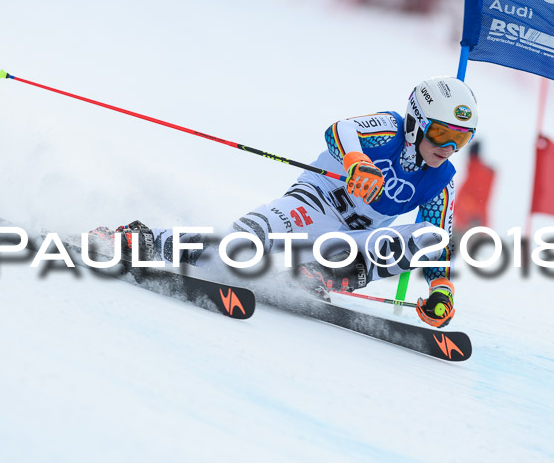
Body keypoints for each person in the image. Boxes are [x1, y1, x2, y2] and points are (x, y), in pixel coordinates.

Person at [94, 76, 478, 328]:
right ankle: (143, 239)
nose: (447, 148)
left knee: (430, 237)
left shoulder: (441, 181)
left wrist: (441, 288)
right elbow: (339, 130)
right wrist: (356, 160)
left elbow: (436, 240)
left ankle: (315, 276)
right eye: (441, 133)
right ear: (415, 122)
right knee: (236, 254)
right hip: (315, 205)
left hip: (354, 241)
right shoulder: (389, 128)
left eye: (460, 140)